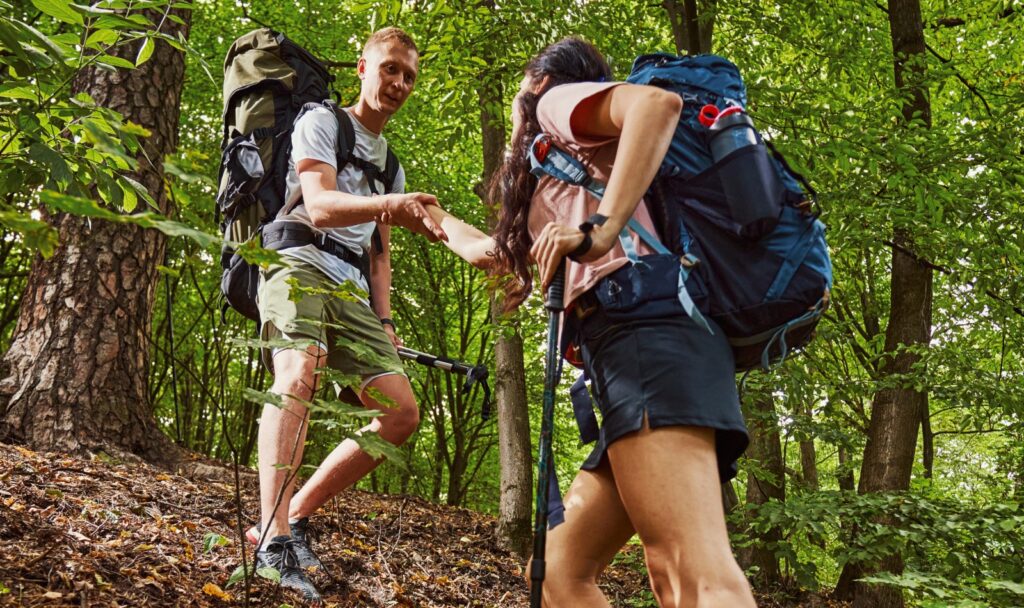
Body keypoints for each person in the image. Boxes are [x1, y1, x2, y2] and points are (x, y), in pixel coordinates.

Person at [426, 37, 756, 607]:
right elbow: (500, 257)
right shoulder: (554, 171)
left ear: (536, 81)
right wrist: (429, 216)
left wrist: (601, 229)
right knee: (561, 571)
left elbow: (656, 106)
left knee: (691, 573)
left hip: (646, 334)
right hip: (627, 355)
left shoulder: (553, 106)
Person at [250, 27, 446, 602]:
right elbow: (320, 204)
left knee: (401, 413)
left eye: (408, 76)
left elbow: (377, 254)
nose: (399, 84)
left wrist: (384, 322)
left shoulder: (392, 162)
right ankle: (270, 535)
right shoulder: (321, 121)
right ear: (363, 67)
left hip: (352, 288)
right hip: (297, 260)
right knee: (299, 371)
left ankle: (299, 514)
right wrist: (392, 204)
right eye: (390, 69)